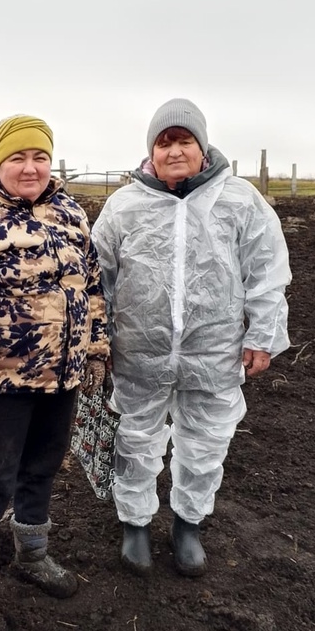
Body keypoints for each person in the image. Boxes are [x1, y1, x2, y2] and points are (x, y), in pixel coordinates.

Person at [92, 98, 291, 577]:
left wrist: (262, 334)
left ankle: (188, 522)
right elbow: (97, 276)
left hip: (214, 349)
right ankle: (135, 523)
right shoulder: (124, 206)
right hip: (138, 348)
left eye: (184, 141)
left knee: (205, 440)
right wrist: (100, 342)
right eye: (164, 142)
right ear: (150, 152)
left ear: (202, 147)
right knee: (135, 436)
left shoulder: (239, 200)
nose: (174, 151)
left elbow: (266, 272)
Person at [0, 114, 110, 631]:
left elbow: (93, 286)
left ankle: (32, 556)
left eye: (39, 156)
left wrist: (97, 349)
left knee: (42, 469)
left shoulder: (70, 211)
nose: (30, 166)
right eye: (18, 157)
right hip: (1, 381)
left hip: (63, 375)